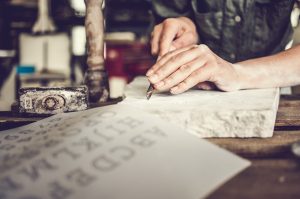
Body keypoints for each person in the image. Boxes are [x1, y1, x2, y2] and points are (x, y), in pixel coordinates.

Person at [146, 0, 300, 95]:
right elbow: (172, 14)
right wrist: (187, 27)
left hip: (274, 85)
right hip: (196, 89)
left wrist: (237, 73)